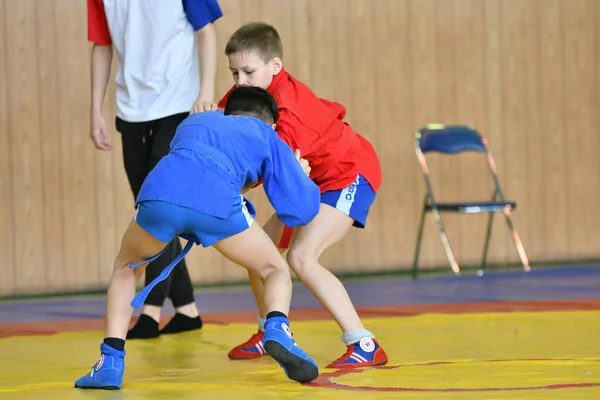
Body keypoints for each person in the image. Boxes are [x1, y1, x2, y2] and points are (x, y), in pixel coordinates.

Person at [74, 86, 321, 390]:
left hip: (159, 194)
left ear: (227, 109)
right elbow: (300, 210)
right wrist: (302, 175)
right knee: (273, 269)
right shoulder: (268, 135)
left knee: (127, 267)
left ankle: (109, 362)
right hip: (217, 204)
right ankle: (277, 329)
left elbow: (195, 168)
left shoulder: (195, 120)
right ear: (270, 122)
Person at [218, 22, 388, 369]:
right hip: (310, 180)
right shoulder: (250, 92)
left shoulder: (290, 117)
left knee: (302, 257)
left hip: (347, 174)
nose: (240, 82)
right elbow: (223, 120)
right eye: (234, 73)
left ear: (275, 67)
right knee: (259, 250)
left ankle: (364, 342)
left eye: (248, 72)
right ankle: (270, 332)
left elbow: (271, 173)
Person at [87, 0, 223, 339]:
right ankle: (186, 307)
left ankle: (149, 308)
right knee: (149, 211)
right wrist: (95, 110)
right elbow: (102, 44)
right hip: (131, 112)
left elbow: (206, 30)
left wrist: (205, 93)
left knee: (158, 211)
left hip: (179, 105)